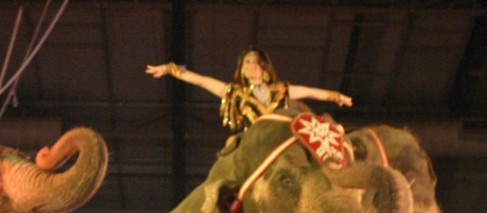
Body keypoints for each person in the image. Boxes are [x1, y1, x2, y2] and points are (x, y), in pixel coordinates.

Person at [146, 46, 352, 133]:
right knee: (229, 149)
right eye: (247, 62)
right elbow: (201, 80)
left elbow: (310, 92)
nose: (251, 65)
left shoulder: (281, 90)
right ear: (242, 70)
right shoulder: (234, 92)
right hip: (251, 139)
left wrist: (337, 97)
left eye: (256, 62)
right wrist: (169, 69)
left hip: (282, 135)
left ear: (265, 68)